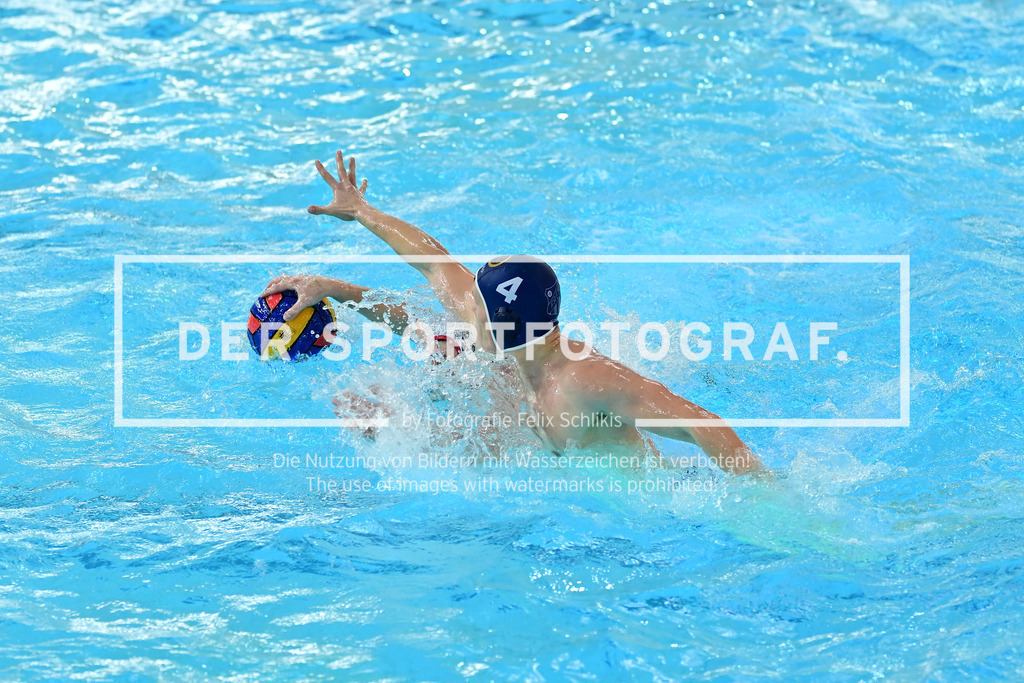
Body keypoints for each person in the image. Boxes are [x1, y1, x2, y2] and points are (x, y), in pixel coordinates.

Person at [284, 151, 767, 476]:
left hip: (636, 510)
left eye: (474, 304)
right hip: (544, 458)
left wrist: (761, 497)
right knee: (429, 373)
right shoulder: (512, 343)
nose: (460, 302)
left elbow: (708, 426)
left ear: (503, 325)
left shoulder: (585, 379)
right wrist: (348, 246)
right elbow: (433, 263)